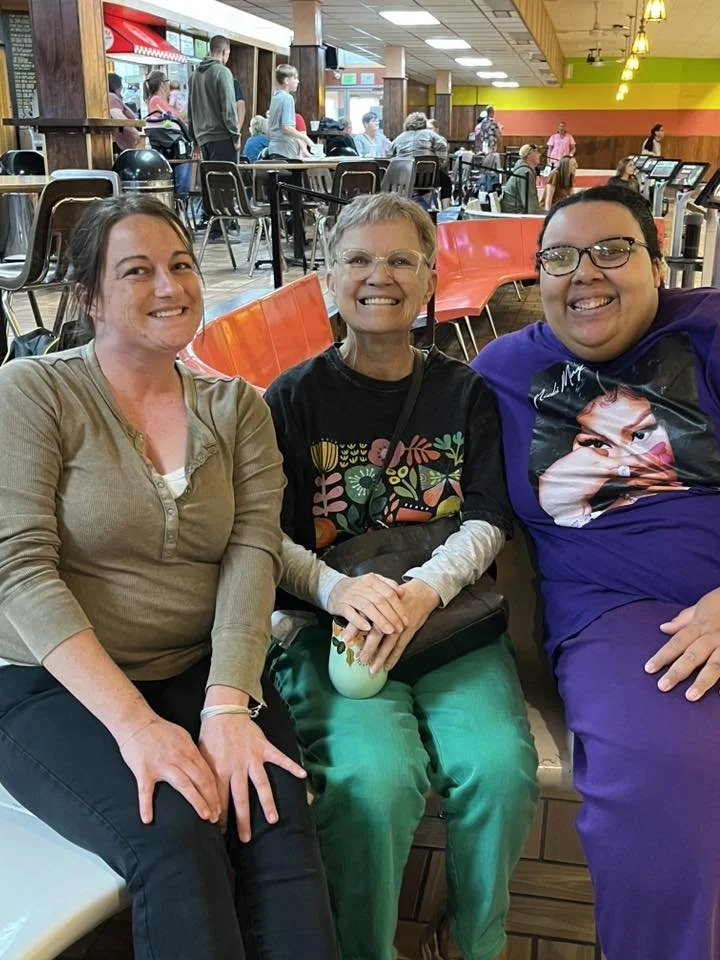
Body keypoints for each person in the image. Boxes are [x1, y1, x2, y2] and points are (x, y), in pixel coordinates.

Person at [0, 196, 338, 960]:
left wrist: (227, 706)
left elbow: (252, 552)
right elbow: (18, 567)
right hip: (50, 685)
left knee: (275, 817)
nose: (169, 285)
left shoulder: (237, 407)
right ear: (89, 297)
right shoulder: (33, 392)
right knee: (176, 833)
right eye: (137, 271)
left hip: (198, 668)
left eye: (181, 264)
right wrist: (137, 726)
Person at [265, 192, 539, 960]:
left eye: (399, 260)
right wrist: (339, 591)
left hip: (451, 625)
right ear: (328, 278)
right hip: (332, 628)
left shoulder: (464, 391)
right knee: (371, 782)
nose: (377, 276)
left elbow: (489, 515)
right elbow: (265, 536)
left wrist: (420, 592)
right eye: (357, 259)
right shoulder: (293, 398)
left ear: (429, 281)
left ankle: (471, 941)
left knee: (499, 772)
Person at [471, 184, 720, 960]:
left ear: (659, 264)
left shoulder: (710, 330)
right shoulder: (500, 371)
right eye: (560, 256)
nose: (585, 272)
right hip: (618, 613)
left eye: (613, 249)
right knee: (665, 776)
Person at [187, 34, 239, 163]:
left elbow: (191, 110)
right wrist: (235, 136)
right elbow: (228, 107)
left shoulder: (194, 75)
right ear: (224, 52)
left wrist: (194, 141)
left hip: (202, 139)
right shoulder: (222, 72)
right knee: (227, 176)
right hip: (222, 137)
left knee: (209, 175)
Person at [390, 111, 453, 208]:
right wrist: (439, 163)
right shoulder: (430, 134)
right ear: (424, 123)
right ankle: (445, 211)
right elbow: (443, 145)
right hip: (429, 176)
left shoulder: (399, 138)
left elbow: (390, 155)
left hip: (405, 178)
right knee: (446, 181)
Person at [144, 71, 192, 194]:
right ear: (162, 84)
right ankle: (182, 198)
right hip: (172, 144)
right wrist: (191, 107)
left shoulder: (156, 101)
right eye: (167, 81)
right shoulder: (156, 100)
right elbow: (177, 118)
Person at [267, 63, 314, 161]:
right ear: (287, 81)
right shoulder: (287, 98)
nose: (298, 81)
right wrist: (305, 138)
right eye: (295, 78)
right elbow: (287, 127)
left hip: (273, 149)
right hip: (285, 150)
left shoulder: (275, 97)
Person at [500, 143, 543, 214]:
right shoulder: (524, 172)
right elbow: (532, 208)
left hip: (516, 213)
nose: (539, 154)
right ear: (529, 155)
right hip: (515, 215)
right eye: (536, 152)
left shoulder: (524, 170)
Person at [108, 72, 140, 153]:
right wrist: (134, 131)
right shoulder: (112, 97)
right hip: (119, 144)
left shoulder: (110, 97)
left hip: (119, 143)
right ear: (117, 85)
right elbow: (118, 117)